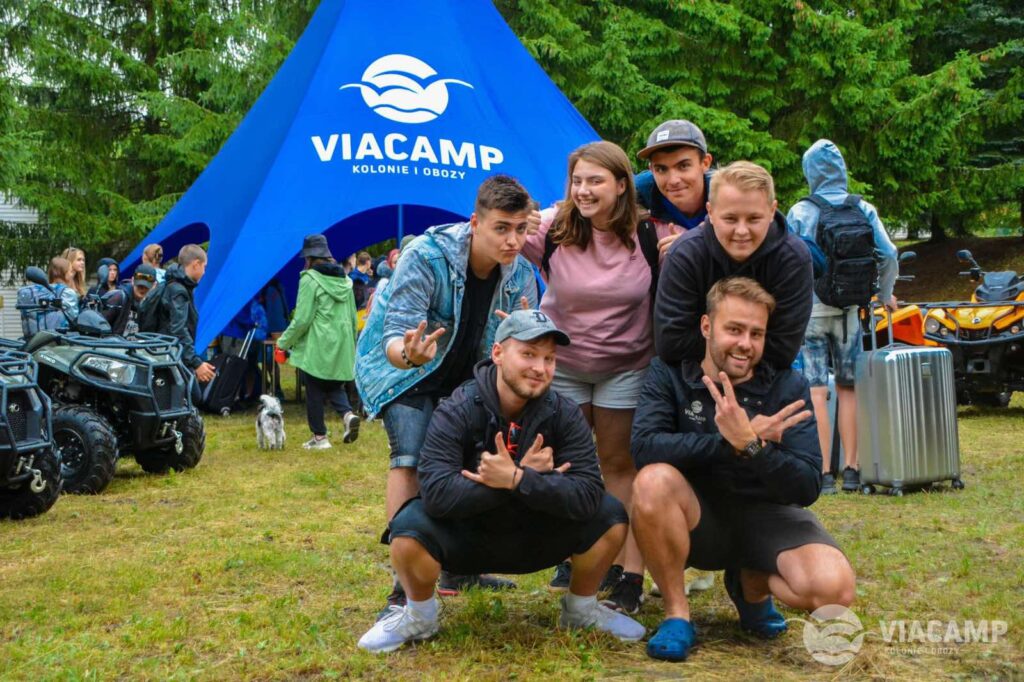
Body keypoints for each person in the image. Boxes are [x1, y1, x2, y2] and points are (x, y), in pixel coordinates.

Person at [357, 310, 645, 653]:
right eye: (528, 354)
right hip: (467, 539)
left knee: (610, 516)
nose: (540, 368)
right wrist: (517, 479)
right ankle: (419, 615)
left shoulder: (565, 412)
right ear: (497, 353)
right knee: (407, 527)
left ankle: (580, 610)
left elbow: (588, 493)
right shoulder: (458, 408)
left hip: (539, 537)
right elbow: (435, 494)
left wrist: (517, 478)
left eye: (549, 358)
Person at [631, 277, 855, 662]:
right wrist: (727, 443)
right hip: (698, 516)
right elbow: (644, 447)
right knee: (651, 481)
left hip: (767, 517)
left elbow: (807, 485)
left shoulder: (788, 385)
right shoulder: (669, 374)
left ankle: (751, 587)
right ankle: (677, 614)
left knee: (834, 592)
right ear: (706, 326)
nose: (745, 344)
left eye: (756, 333)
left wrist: (753, 446)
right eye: (734, 330)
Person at [356, 174, 539, 610]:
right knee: (412, 458)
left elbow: (521, 347)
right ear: (475, 222)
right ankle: (404, 587)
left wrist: (525, 336)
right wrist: (411, 354)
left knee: (470, 462)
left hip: (469, 380)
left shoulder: (521, 274)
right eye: (501, 228)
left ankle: (460, 568)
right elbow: (395, 335)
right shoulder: (426, 255)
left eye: (520, 229)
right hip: (403, 374)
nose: (513, 241)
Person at [520, 140, 672, 613]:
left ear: (622, 184)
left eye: (595, 181)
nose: (583, 190)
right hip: (564, 365)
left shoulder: (650, 234)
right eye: (577, 181)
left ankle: (625, 569)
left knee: (618, 464)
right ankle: (575, 555)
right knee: (568, 462)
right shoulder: (552, 228)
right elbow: (494, 234)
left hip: (626, 366)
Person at [787, 139, 899, 494]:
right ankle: (852, 469)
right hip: (852, 310)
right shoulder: (862, 207)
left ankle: (823, 473)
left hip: (812, 310)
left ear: (810, 173)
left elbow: (790, 258)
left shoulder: (801, 211)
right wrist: (884, 294)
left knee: (817, 390)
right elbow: (889, 253)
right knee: (849, 387)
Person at [654, 161, 813, 371]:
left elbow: (783, 349)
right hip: (693, 374)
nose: (741, 231)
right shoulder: (685, 254)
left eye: (754, 219)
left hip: (766, 375)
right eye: (730, 219)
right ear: (710, 212)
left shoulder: (793, 259)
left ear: (772, 211)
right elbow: (671, 342)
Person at [276, 235, 360, 448]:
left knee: (313, 388)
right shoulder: (346, 281)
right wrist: (352, 344)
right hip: (342, 342)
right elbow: (353, 318)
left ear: (309, 258)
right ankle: (348, 415)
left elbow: (302, 319)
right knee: (334, 385)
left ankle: (320, 437)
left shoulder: (309, 279)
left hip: (318, 342)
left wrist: (283, 343)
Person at [635, 119, 715, 257]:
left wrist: (694, 243)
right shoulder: (640, 190)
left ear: (705, 163)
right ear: (651, 170)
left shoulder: (728, 193)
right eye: (661, 169)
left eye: (683, 166)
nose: (673, 180)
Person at [149, 244, 216, 384]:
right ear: (196, 264)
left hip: (166, 354)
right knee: (193, 394)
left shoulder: (172, 284)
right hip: (170, 357)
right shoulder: (178, 291)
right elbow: (178, 329)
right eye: (204, 267)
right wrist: (196, 363)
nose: (204, 272)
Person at [99, 263, 158, 336]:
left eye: (146, 286)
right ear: (132, 281)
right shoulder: (119, 298)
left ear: (154, 285)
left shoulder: (153, 305)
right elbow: (100, 325)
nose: (142, 289)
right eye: (139, 285)